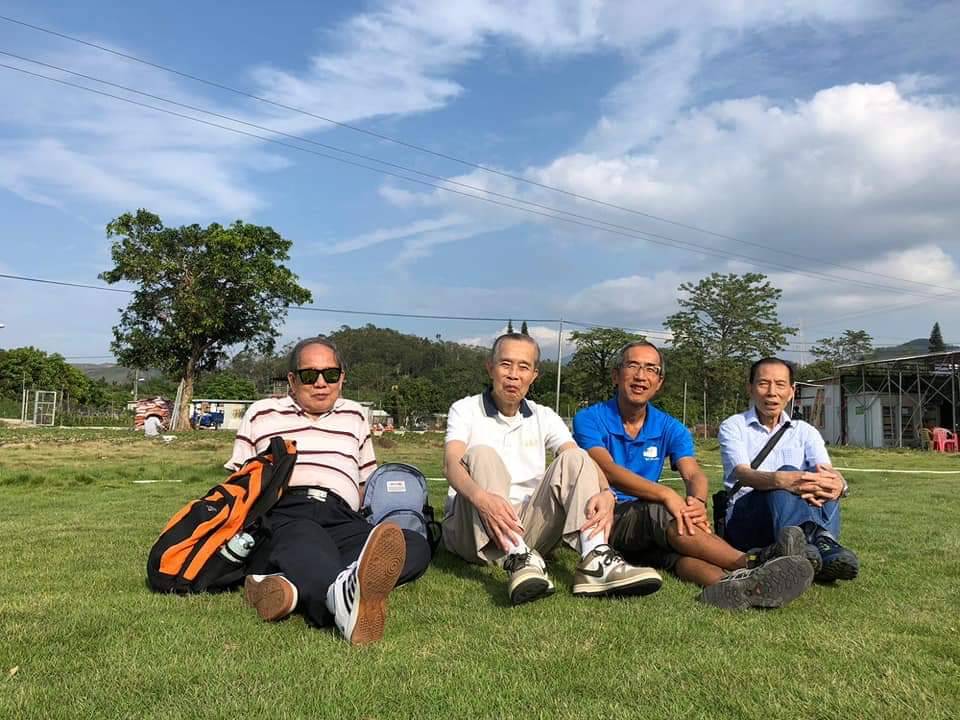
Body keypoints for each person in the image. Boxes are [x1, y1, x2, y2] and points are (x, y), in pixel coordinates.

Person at [573, 341, 814, 610]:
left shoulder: (669, 426)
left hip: (648, 526)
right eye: (633, 366)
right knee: (665, 512)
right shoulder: (589, 418)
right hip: (604, 516)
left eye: (651, 369)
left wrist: (697, 502)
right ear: (616, 375)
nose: (641, 376)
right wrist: (666, 494)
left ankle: (740, 586)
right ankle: (752, 562)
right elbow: (608, 469)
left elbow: (694, 473)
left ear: (659, 382)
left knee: (675, 554)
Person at [224, 337, 431, 644]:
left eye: (330, 374)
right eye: (309, 375)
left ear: (342, 378)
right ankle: (338, 600)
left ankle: (289, 585)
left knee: (413, 544)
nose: (321, 383)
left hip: (341, 516)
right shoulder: (261, 413)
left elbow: (365, 482)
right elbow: (238, 482)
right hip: (286, 511)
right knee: (305, 536)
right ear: (292, 380)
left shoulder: (355, 415)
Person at [443, 332, 661, 605]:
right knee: (482, 454)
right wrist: (481, 499)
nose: (513, 375)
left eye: (523, 367)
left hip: (526, 525)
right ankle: (518, 557)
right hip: (473, 526)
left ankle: (594, 558)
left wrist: (607, 492)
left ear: (534, 375)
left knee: (576, 457)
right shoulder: (465, 409)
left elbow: (579, 460)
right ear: (490, 368)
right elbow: (451, 464)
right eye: (505, 364)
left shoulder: (543, 416)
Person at [718, 357, 859, 582]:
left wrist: (839, 484)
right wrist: (782, 479)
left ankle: (811, 548)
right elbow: (743, 473)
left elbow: (827, 471)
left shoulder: (805, 431)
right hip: (748, 518)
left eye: (780, 384)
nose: (772, 392)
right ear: (750, 388)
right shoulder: (734, 426)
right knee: (785, 476)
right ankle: (818, 544)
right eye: (763, 384)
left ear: (791, 391)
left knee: (825, 481)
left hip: (791, 514)